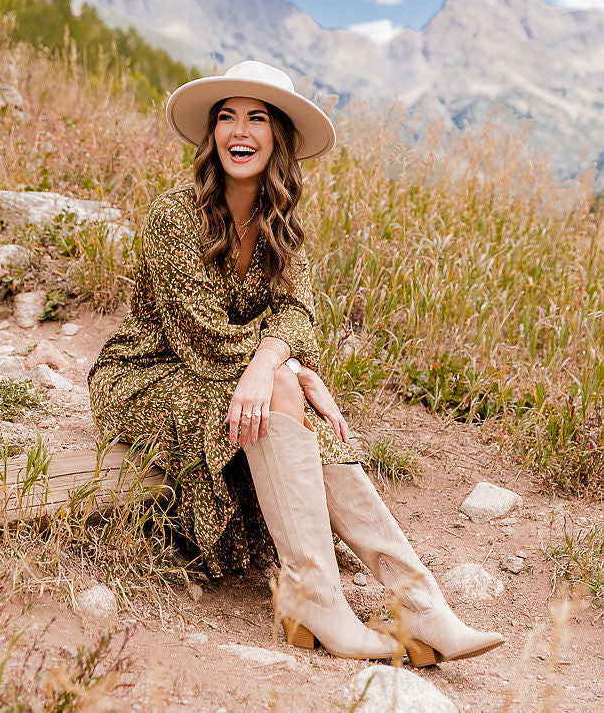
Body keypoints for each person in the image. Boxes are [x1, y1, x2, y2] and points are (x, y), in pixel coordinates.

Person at [88, 60, 504, 664]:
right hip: (148, 375)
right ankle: (339, 602)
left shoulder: (281, 219)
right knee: (284, 393)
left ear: (277, 136)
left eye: (256, 118)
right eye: (226, 117)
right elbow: (202, 337)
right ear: (211, 134)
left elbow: (299, 313)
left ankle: (416, 605)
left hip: (229, 372)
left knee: (282, 394)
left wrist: (279, 364)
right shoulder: (174, 216)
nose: (239, 131)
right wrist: (287, 370)